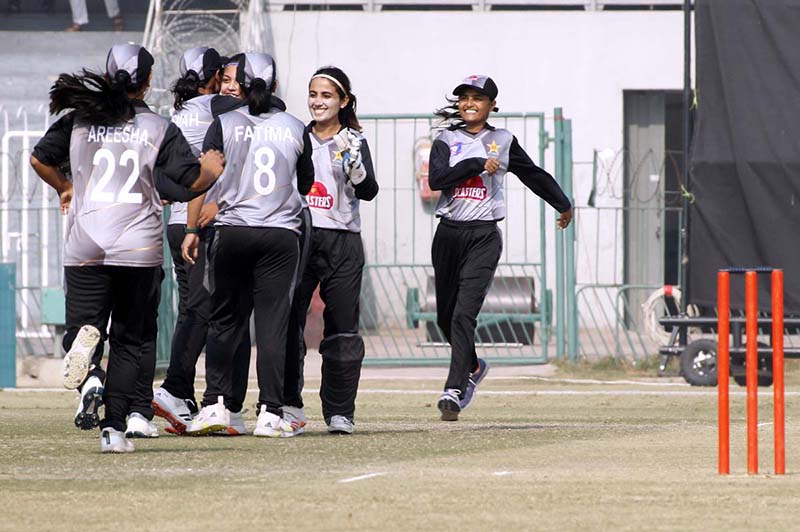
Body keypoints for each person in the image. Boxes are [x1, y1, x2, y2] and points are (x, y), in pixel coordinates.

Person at [30, 44, 224, 452]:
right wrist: (209, 170)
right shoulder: (157, 127)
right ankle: (114, 430)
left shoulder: (79, 120)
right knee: (130, 340)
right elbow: (189, 183)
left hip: (85, 242)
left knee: (81, 334)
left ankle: (92, 379)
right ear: (149, 82)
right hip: (137, 246)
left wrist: (66, 187)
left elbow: (38, 159)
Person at [182, 52, 314, 438]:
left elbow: (204, 176)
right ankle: (272, 412)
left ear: (240, 83)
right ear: (274, 85)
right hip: (279, 233)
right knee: (273, 325)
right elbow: (304, 184)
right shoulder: (294, 125)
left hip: (232, 230)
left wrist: (191, 228)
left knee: (225, 321)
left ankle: (217, 405)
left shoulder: (223, 123)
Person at [428, 75, 572, 421]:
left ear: (492, 105)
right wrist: (474, 165)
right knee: (446, 318)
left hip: (483, 236)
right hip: (448, 235)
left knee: (464, 314)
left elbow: (532, 174)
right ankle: (474, 365)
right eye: (464, 98)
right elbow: (437, 180)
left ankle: (455, 387)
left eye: (478, 98)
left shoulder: (503, 140)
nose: (469, 104)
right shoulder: (446, 139)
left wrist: (563, 204)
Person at [284, 66, 378, 435]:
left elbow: (369, 191)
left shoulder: (354, 140)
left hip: (342, 240)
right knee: (289, 323)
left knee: (341, 328)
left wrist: (356, 172)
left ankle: (340, 411)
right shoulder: (295, 136)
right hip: (300, 236)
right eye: (313, 94)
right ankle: (287, 404)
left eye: (326, 95)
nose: (318, 102)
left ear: (343, 101)